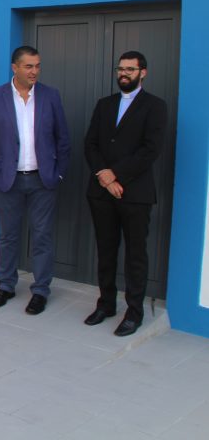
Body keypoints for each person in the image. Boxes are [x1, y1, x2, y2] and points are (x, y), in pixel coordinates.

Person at [0, 46, 70, 315]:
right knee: (8, 236)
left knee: (42, 236)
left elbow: (63, 138)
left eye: (38, 66)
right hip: (9, 180)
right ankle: (5, 285)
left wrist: (58, 171)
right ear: (14, 67)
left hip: (43, 180)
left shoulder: (51, 96)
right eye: (29, 66)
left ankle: (40, 290)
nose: (34, 71)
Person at [84, 51, 167, 337]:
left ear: (143, 72)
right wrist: (105, 178)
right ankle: (106, 304)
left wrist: (116, 175)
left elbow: (150, 150)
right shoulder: (104, 104)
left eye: (130, 69)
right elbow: (90, 144)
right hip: (101, 192)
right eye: (121, 68)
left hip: (135, 194)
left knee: (135, 255)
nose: (124, 73)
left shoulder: (155, 106)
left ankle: (134, 312)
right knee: (105, 251)